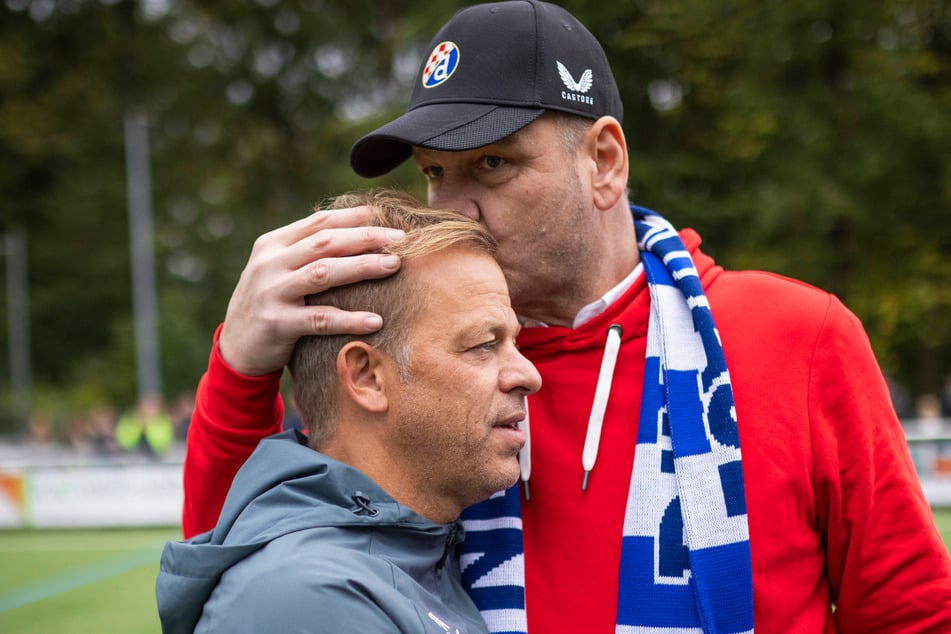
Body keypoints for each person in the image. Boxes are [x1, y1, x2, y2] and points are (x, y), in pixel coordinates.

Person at [181, 1, 951, 632]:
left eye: (492, 163)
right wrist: (242, 366)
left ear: (604, 161)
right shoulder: (422, 360)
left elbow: (911, 613)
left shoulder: (795, 335)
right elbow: (248, 569)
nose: (455, 211)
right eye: (433, 175)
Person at [156, 189, 542, 633]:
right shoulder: (308, 599)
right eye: (484, 345)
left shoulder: (413, 558)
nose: (528, 375)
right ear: (367, 378)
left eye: (514, 343)